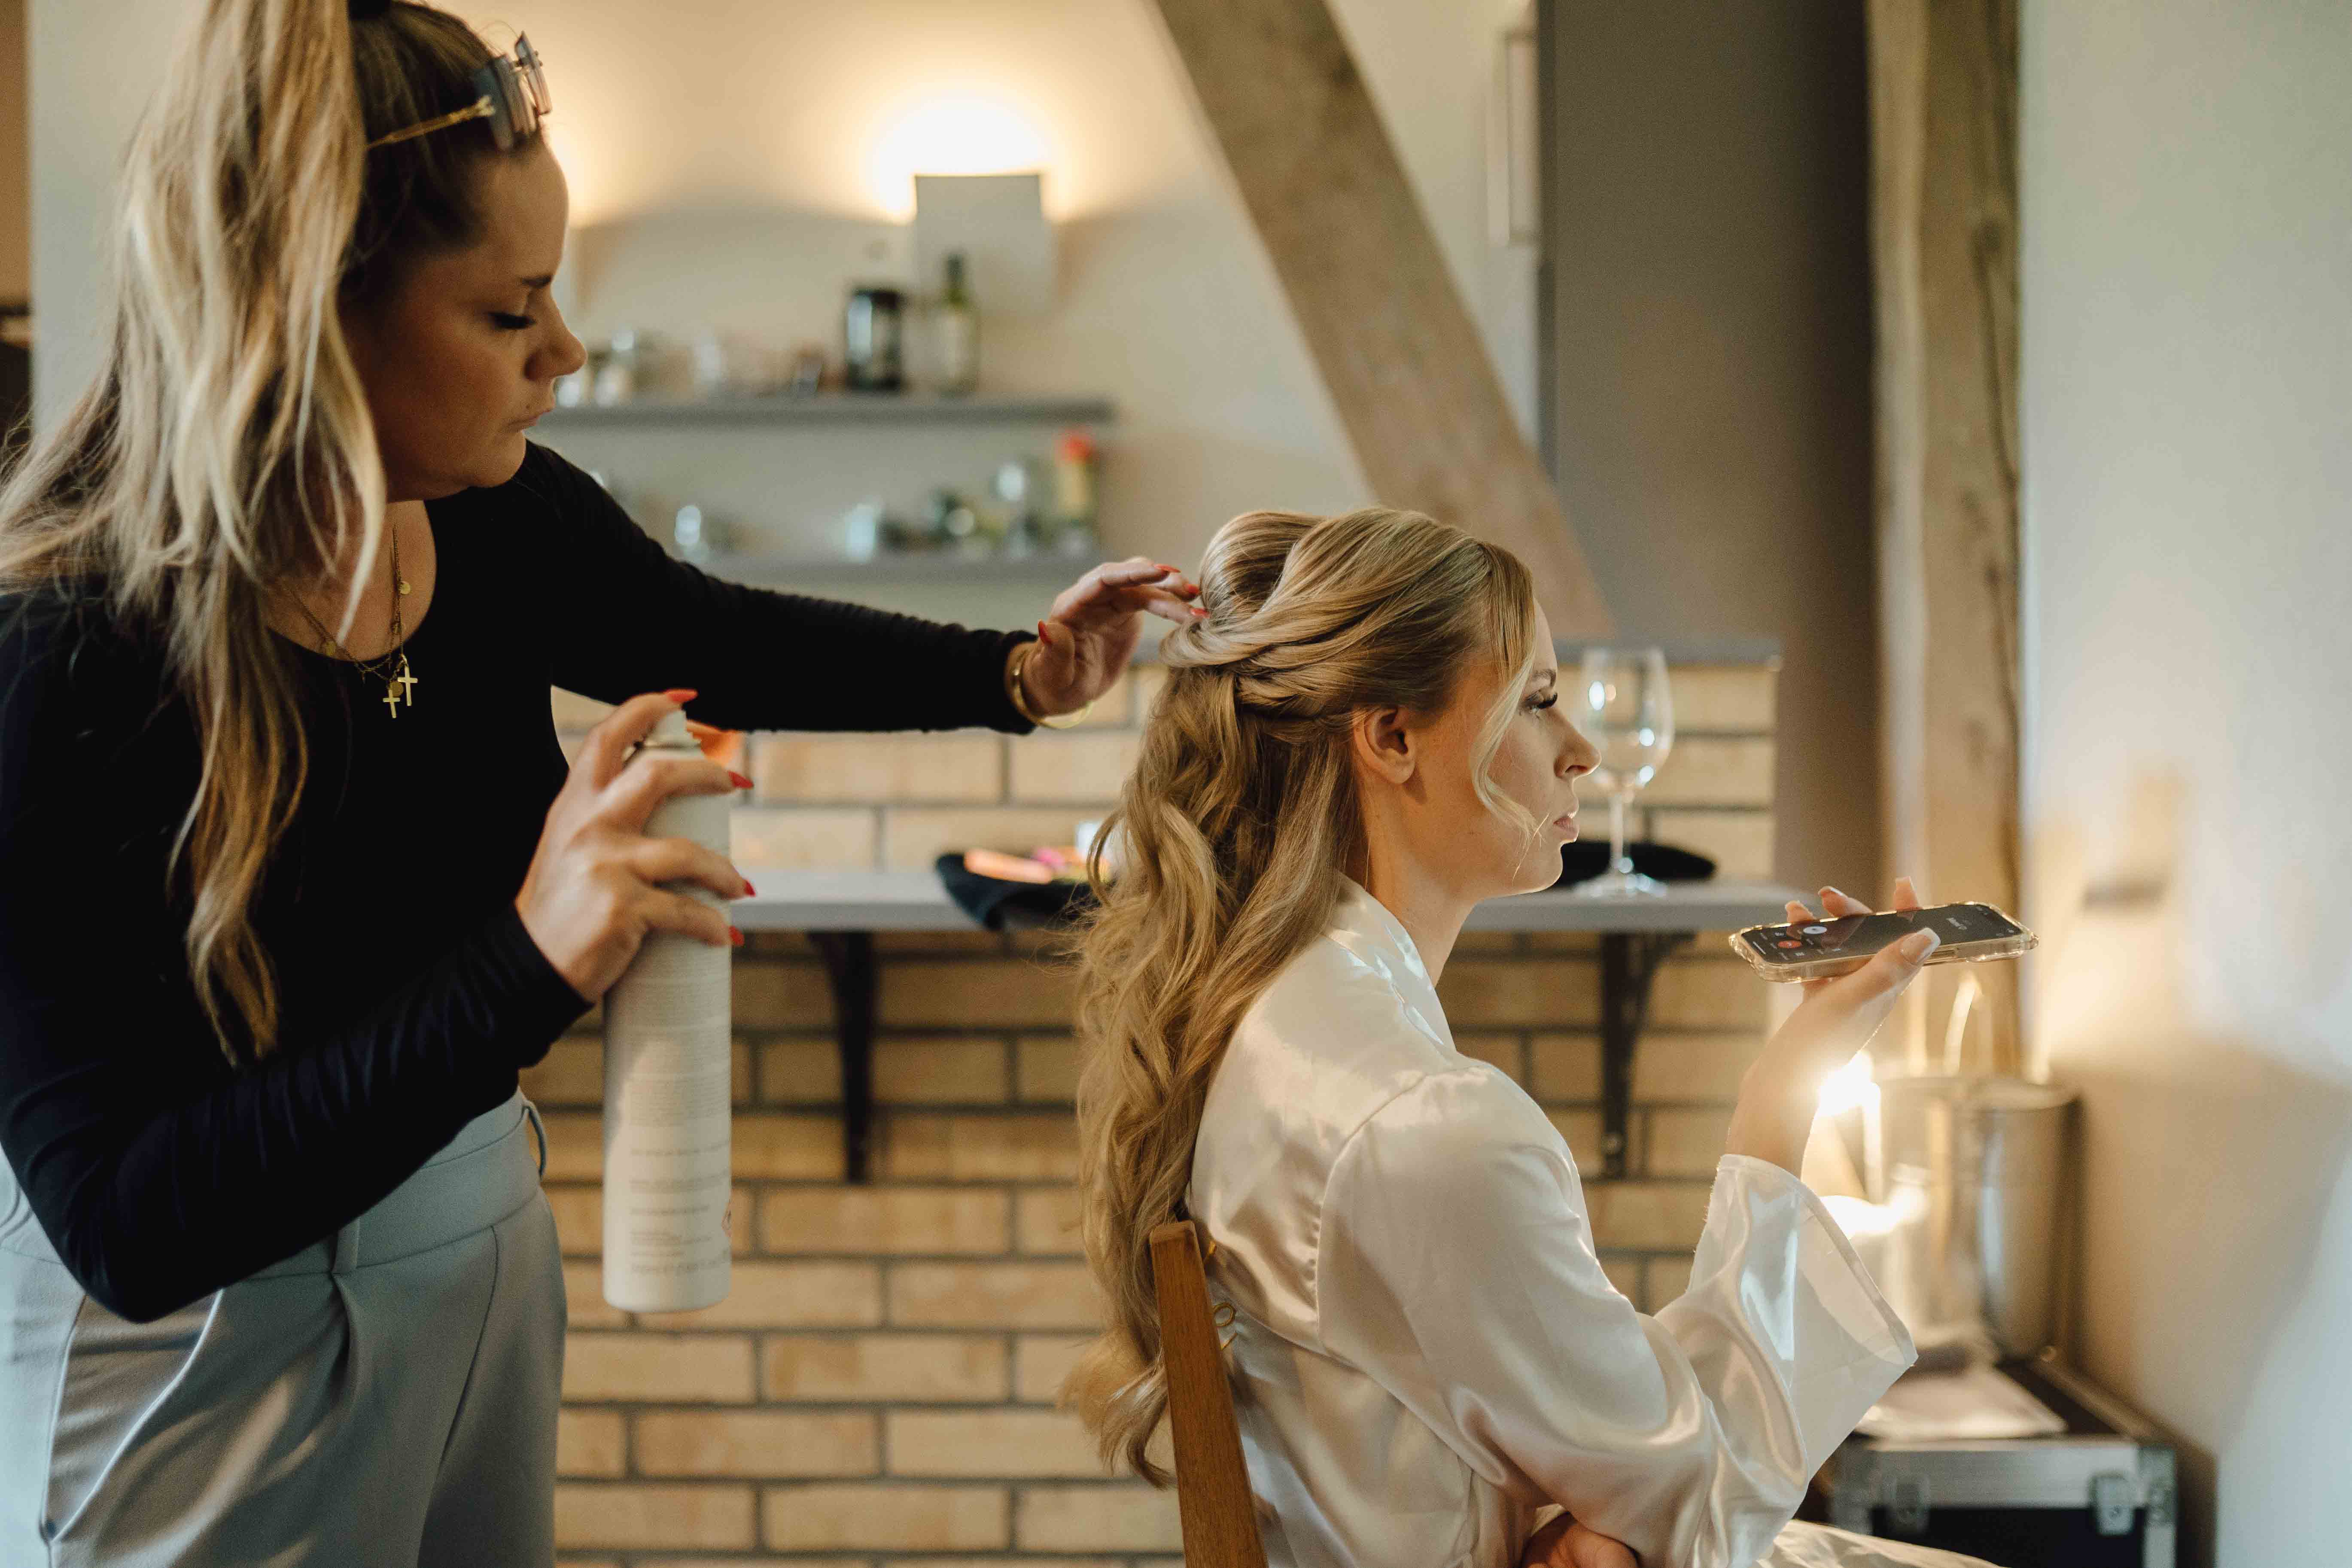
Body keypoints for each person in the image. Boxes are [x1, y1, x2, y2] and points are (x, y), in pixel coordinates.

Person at [0, 3, 1196, 1563]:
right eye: (513, 312)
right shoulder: (65, 662)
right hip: (195, 1357)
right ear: (310, 313)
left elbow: (716, 634)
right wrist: (533, 955)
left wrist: (1018, 674)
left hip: (478, 1261)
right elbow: (132, 1224)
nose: (563, 352)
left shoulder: (495, 519)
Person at [1065, 509, 1995, 1568]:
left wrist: (1580, 1506)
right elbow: (1698, 1510)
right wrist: (1782, 1098)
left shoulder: (1272, 1022)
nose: (1581, 751)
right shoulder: (1427, 1124)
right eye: (1538, 701)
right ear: (1392, 736)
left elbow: (1642, 1494)